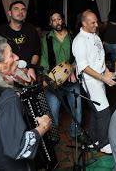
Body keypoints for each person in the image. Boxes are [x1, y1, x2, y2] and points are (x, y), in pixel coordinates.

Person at [0, 36, 51, 170]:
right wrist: (43, 127)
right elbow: (19, 148)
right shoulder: (7, 97)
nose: (17, 57)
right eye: (11, 55)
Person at [72, 10, 116, 154]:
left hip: (100, 79)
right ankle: (104, 143)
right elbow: (83, 66)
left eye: (96, 21)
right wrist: (102, 77)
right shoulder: (79, 41)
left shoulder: (95, 36)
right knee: (104, 112)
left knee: (95, 111)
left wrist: (106, 71)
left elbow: (99, 57)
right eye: (93, 22)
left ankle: (93, 140)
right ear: (83, 23)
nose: (96, 25)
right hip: (90, 82)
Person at [40, 10, 82, 138]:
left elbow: (79, 57)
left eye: (59, 19)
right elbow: (44, 61)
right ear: (50, 23)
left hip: (71, 80)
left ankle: (75, 133)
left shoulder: (72, 36)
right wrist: (46, 79)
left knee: (77, 108)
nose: (57, 22)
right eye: (54, 20)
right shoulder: (46, 39)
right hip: (54, 81)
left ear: (62, 20)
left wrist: (73, 69)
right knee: (53, 111)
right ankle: (53, 137)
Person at [0, 1, 40, 81]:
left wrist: (31, 67)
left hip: (29, 71)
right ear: (9, 13)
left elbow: (36, 52)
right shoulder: (1, 32)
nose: (20, 12)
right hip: (8, 73)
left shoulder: (31, 30)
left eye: (23, 10)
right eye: (16, 9)